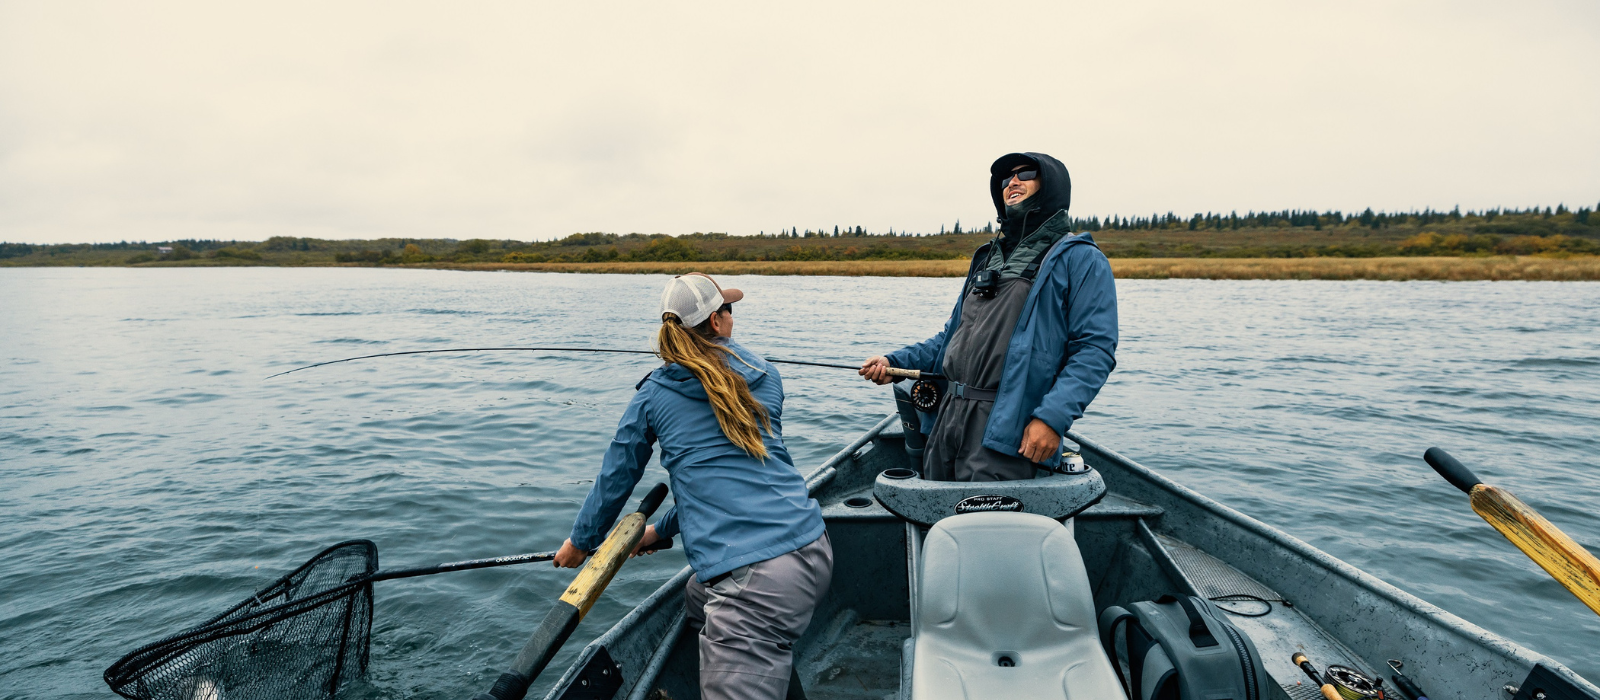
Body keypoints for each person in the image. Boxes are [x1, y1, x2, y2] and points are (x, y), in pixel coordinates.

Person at [554, 273, 832, 700]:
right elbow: (726, 486)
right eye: (729, 310)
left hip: (757, 587)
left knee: (739, 614)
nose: (732, 318)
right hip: (812, 548)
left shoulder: (652, 395)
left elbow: (617, 477)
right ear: (717, 323)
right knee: (697, 597)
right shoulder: (767, 376)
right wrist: (657, 531)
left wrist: (579, 543)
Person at [860, 152, 1118, 481]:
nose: (1012, 181)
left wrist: (1051, 420)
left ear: (1051, 186)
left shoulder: (1081, 259)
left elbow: (1094, 350)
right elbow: (951, 338)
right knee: (938, 521)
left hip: (1008, 430)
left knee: (987, 530)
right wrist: (893, 361)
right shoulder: (987, 257)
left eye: (1025, 174)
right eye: (1006, 178)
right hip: (948, 421)